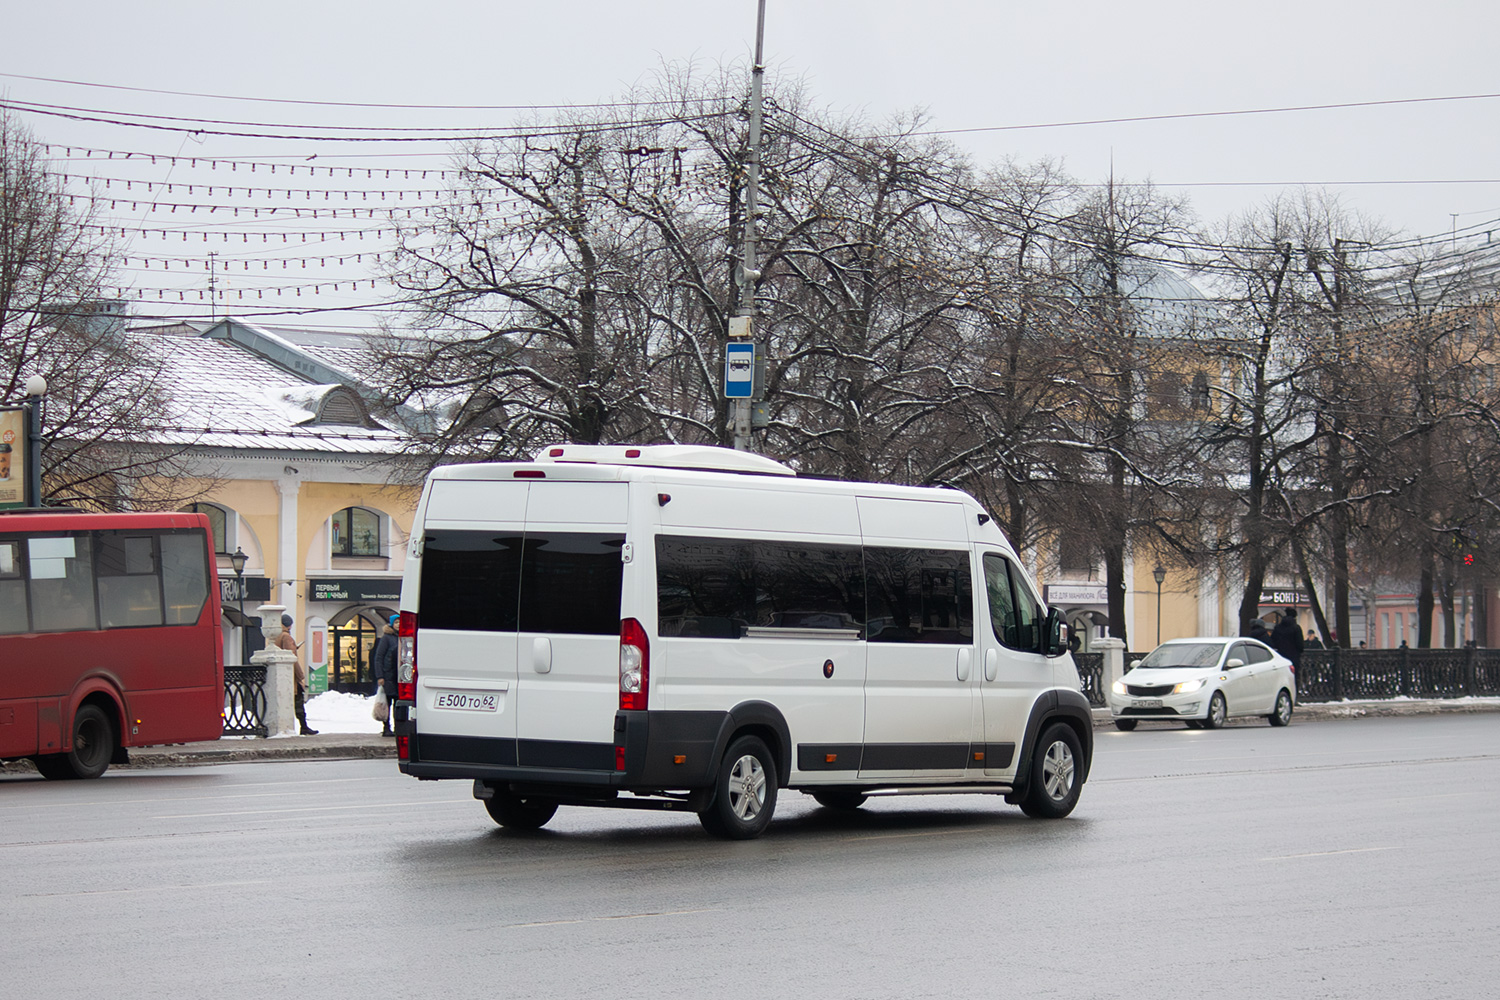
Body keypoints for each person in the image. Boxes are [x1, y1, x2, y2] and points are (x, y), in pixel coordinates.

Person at [276, 613, 317, 735]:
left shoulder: (276, 636)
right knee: (298, 701)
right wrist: (301, 676)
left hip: (281, 675)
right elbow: (292, 658)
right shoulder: (286, 637)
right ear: (289, 625)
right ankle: (303, 727)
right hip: (290, 677)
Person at [371, 613, 399, 737]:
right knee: (387, 703)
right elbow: (379, 657)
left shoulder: (404, 636)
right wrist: (380, 676)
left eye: (400, 622)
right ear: (392, 624)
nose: (399, 625)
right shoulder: (387, 638)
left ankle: (399, 726)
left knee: (399, 704)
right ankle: (386, 727)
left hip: (400, 676)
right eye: (396, 622)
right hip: (388, 676)